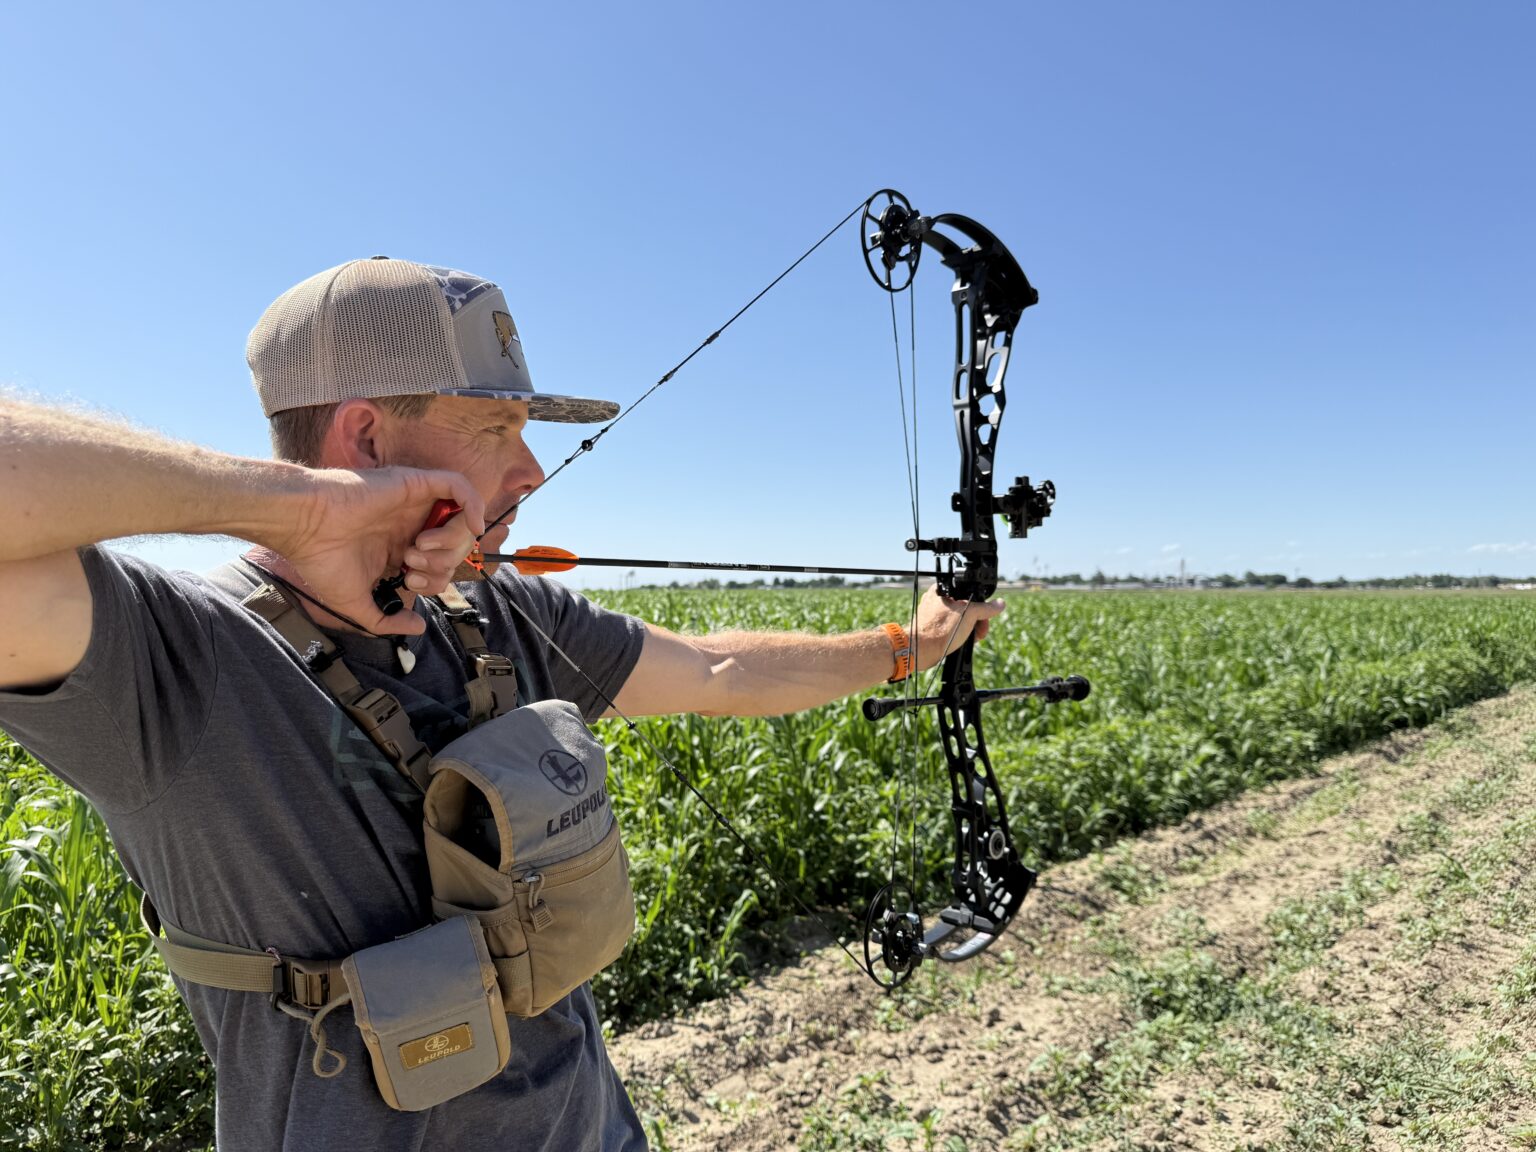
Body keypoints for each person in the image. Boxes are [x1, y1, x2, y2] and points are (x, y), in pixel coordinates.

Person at [0, 256, 1003, 1151]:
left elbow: (714, 669)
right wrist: (302, 507)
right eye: (496, 428)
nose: (529, 470)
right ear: (365, 435)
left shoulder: (499, 619)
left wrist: (906, 647)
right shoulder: (172, 657)